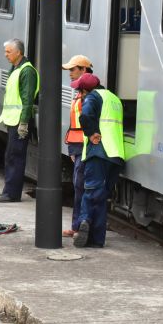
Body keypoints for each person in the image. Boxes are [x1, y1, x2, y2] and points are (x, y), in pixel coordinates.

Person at [71, 73, 125, 248]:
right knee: (101, 197)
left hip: (99, 151)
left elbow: (85, 116)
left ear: (86, 90)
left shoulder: (93, 97)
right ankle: (96, 240)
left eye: (80, 91)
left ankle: (85, 220)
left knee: (91, 191)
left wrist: (92, 132)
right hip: (116, 155)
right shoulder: (114, 98)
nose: (79, 95)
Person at [0, 39, 38, 203]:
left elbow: (27, 99)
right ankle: (8, 191)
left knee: (15, 156)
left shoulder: (27, 71)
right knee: (11, 155)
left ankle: (11, 194)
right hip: (13, 120)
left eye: (8, 52)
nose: (5, 55)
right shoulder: (16, 68)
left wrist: (24, 123)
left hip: (20, 122)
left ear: (18, 52)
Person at [61, 55, 94, 238]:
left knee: (80, 186)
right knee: (78, 186)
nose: (70, 74)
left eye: (73, 70)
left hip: (84, 145)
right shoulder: (80, 93)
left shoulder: (88, 94)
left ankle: (78, 226)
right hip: (77, 145)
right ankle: (77, 224)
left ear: (83, 70)